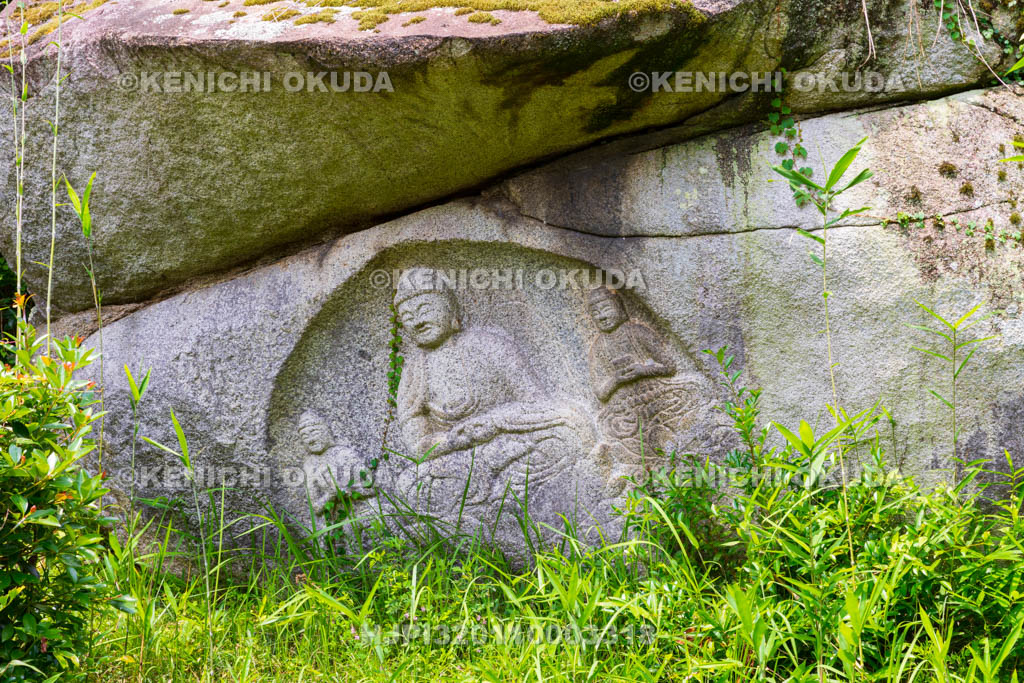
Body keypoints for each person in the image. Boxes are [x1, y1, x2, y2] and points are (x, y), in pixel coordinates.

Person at [393, 268, 600, 553]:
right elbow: (418, 446)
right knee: (408, 486)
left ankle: (494, 520)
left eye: (425, 308)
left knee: (564, 437)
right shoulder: (415, 371)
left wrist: (495, 422)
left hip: (509, 444)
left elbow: (536, 403)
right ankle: (486, 522)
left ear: (450, 309)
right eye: (407, 317)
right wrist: (455, 440)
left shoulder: (488, 345)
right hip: (458, 462)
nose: (417, 321)